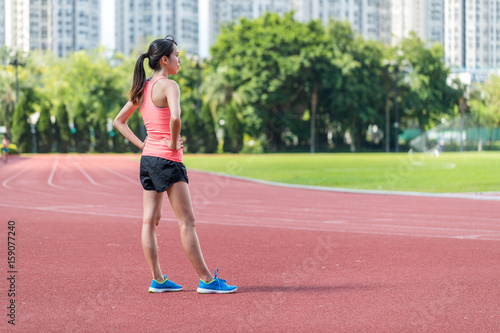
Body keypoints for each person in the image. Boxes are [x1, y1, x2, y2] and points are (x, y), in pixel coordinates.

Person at [113, 36, 237, 294]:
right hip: (168, 160)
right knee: (187, 221)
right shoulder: (170, 86)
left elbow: (118, 122)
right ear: (165, 60)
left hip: (148, 160)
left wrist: (143, 145)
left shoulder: (143, 88)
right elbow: (176, 118)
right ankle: (207, 280)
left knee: (149, 222)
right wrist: (171, 142)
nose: (180, 60)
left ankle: (157, 280)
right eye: (177, 55)